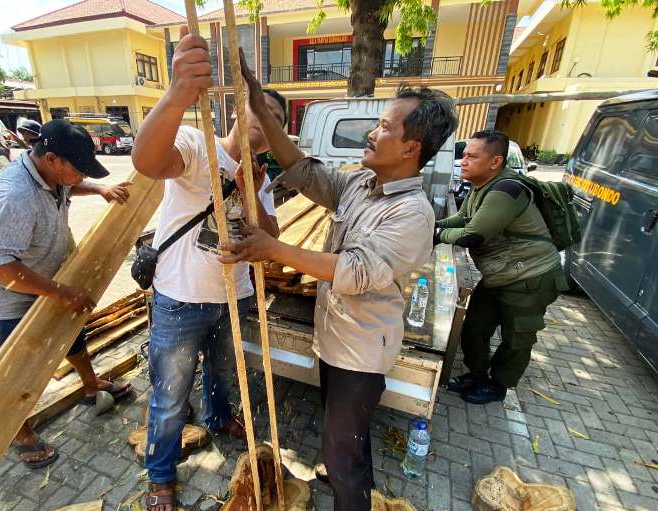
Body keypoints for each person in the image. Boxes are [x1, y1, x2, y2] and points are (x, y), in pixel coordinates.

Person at [221, 55, 458, 511]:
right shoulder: (361, 184)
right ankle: (352, 483)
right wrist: (262, 109)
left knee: (339, 452)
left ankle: (352, 496)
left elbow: (355, 272)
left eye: (386, 126)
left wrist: (273, 249)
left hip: (361, 352)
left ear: (412, 147)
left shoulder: (411, 213)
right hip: (338, 340)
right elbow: (304, 171)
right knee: (347, 440)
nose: (372, 132)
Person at [130, 27, 287, 511]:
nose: (265, 120)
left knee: (223, 374)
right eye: (260, 109)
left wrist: (255, 194)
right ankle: (160, 477)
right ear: (238, 109)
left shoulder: (261, 175)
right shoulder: (199, 143)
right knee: (171, 395)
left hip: (234, 296)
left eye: (276, 117)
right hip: (180, 298)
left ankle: (220, 419)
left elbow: (273, 236)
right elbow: (147, 160)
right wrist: (178, 90)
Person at [0, 120, 134, 469]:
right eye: (76, 169)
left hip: (44, 284)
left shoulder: (52, 176)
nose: (78, 176)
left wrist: (99, 188)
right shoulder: (14, 195)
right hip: (5, 298)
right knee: (16, 370)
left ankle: (91, 386)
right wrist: (60, 291)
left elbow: (70, 186)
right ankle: (19, 432)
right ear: (52, 158)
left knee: (73, 337)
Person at [436, 130, 566, 404]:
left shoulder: (507, 190)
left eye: (472, 156)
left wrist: (435, 236)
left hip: (531, 276)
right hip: (501, 274)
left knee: (517, 336)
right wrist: (431, 226)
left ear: (495, 162)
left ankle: (498, 386)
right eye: (464, 156)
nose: (463, 162)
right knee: (474, 327)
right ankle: (478, 375)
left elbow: (473, 234)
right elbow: (461, 218)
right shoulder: (481, 186)